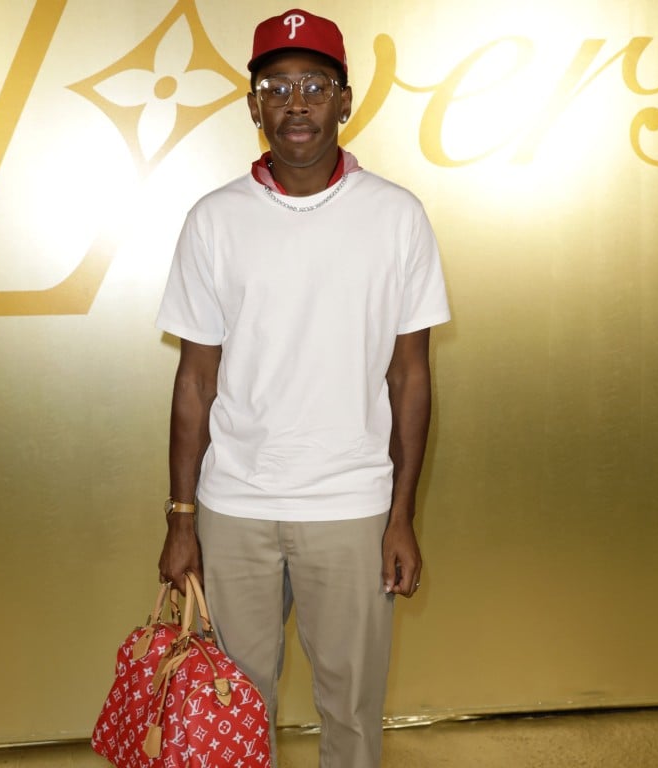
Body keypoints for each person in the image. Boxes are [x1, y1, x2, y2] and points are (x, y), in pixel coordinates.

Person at [156, 8, 450, 767]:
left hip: (351, 509)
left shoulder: (397, 218)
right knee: (231, 714)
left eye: (315, 84)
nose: (296, 102)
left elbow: (411, 375)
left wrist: (401, 516)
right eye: (276, 85)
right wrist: (182, 519)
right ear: (253, 104)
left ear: (345, 101)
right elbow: (194, 382)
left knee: (352, 714)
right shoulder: (214, 221)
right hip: (235, 509)